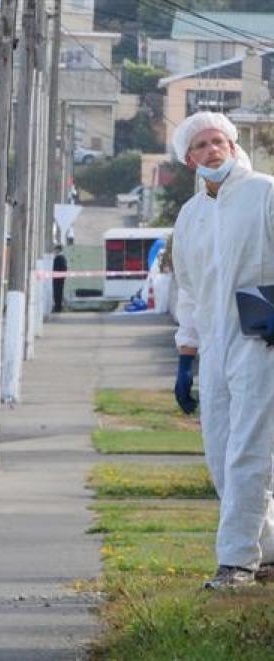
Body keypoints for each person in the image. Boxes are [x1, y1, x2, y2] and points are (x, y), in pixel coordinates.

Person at [171, 111, 274, 590]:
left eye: (219, 141)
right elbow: (188, 292)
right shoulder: (190, 217)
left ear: (233, 147)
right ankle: (269, 550)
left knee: (248, 451)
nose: (212, 150)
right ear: (189, 159)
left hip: (260, 340)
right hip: (215, 346)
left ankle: (236, 564)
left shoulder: (264, 193)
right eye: (202, 145)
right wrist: (185, 354)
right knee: (218, 454)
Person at [52, 244, 68, 312]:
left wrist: (61, 276)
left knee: (58, 293)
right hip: (58, 278)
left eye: (56, 249)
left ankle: (58, 307)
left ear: (58, 249)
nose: (55, 251)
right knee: (58, 292)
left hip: (58, 279)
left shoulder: (60, 258)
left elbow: (63, 268)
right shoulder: (61, 258)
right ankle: (58, 306)